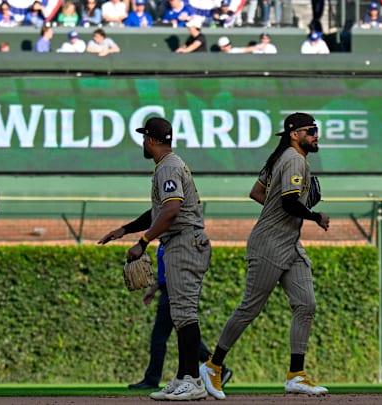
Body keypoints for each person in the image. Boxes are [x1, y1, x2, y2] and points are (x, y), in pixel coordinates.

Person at [200, 112, 330, 400]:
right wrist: (315, 215)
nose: (316, 134)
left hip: (289, 244)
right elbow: (288, 202)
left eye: (316, 129)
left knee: (306, 304)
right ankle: (212, 366)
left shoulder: (281, 157)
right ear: (294, 134)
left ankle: (296, 375)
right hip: (269, 244)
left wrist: (281, 207)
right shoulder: (294, 159)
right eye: (310, 130)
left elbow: (258, 192)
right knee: (249, 308)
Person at [98, 117, 212, 401]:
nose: (143, 143)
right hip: (182, 240)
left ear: (150, 140)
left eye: (143, 138)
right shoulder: (169, 165)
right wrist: (125, 229)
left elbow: (172, 210)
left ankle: (194, 381)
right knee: (179, 314)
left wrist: (142, 242)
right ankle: (183, 376)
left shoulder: (169, 167)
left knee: (184, 313)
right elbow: (160, 212)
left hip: (185, 241)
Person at [126, 244, 233, 390]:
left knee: (161, 337)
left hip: (175, 290)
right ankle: (217, 368)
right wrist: (153, 290)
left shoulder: (175, 241)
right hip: (168, 290)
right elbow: (165, 274)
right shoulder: (164, 243)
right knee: (185, 336)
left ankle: (152, 379)